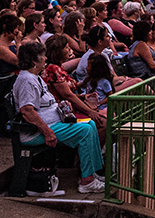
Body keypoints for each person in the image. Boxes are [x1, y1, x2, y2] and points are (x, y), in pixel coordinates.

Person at [14, 40, 106, 195]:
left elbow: (46, 103)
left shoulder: (34, 77)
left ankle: (94, 172)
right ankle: (87, 181)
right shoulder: (26, 80)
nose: (45, 59)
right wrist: (47, 132)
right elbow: (27, 111)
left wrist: (62, 105)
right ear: (34, 60)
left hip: (52, 123)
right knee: (85, 130)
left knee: (90, 124)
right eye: (42, 56)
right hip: (37, 132)